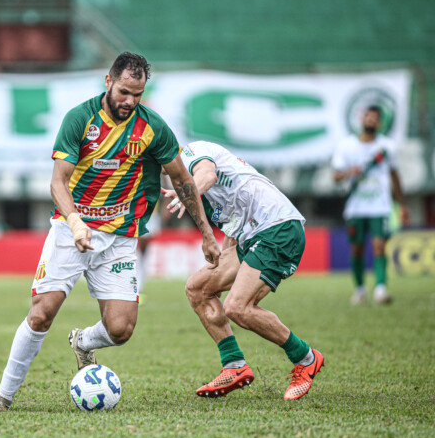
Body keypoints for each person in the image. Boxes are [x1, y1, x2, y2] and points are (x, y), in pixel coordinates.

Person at [0, 52, 220, 412]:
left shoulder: (152, 127)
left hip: (120, 238)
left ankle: (83, 341)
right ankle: (3, 397)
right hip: (71, 229)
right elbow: (58, 182)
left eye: (137, 95)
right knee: (42, 312)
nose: (129, 101)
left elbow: (183, 179)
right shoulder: (80, 119)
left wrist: (207, 233)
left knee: (121, 329)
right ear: (108, 82)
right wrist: (74, 220)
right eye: (124, 91)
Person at [162, 140, 324, 401]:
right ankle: (234, 366)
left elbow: (207, 174)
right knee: (198, 288)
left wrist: (187, 193)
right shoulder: (189, 179)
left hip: (277, 229)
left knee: (237, 307)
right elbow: (233, 227)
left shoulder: (191, 152)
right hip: (253, 236)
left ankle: (306, 358)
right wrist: (223, 262)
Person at [332, 105, 409, 305]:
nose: (371, 121)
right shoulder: (347, 145)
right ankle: (359, 289)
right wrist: (351, 172)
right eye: (368, 117)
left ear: (380, 123)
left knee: (379, 246)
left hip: (380, 206)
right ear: (361, 119)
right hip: (356, 206)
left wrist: (402, 204)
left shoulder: (387, 147)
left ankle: (381, 290)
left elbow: (395, 175)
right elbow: (336, 176)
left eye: (375, 118)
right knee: (357, 249)